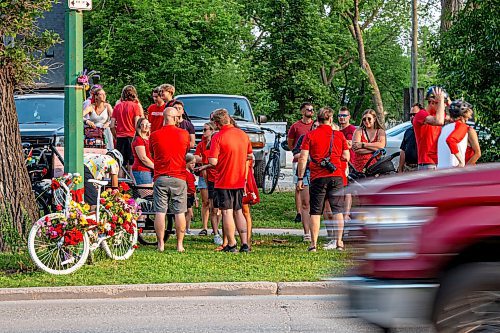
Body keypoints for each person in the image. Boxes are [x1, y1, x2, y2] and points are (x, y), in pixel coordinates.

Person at [297, 108, 349, 252]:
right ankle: (339, 242)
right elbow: (347, 156)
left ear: (317, 120)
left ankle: (313, 244)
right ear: (331, 119)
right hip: (336, 175)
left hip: (317, 177)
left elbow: (303, 158)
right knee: (337, 209)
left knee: (315, 211)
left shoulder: (310, 135)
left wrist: (300, 177)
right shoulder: (339, 135)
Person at [208, 108, 253, 253]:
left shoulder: (218, 136)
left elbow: (213, 161)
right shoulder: (243, 135)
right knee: (238, 211)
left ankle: (232, 243)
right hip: (239, 179)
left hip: (224, 179)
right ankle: (245, 244)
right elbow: (249, 155)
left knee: (227, 212)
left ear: (216, 123)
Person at [150, 107, 190, 252]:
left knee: (160, 211)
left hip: (160, 176)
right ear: (175, 118)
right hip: (179, 176)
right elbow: (186, 151)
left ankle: (160, 244)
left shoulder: (154, 135)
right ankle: (180, 244)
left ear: (163, 118)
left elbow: (152, 153)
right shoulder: (184, 134)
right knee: (179, 212)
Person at [194, 122, 222, 245]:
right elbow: (196, 157)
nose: (204, 132)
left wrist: (205, 161)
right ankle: (205, 227)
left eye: (206, 130)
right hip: (204, 175)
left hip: (214, 176)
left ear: (212, 130)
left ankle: (217, 229)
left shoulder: (217, 143)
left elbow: (208, 159)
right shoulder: (202, 144)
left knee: (217, 206)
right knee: (206, 202)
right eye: (203, 130)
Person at [287, 102, 315, 224]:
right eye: (308, 109)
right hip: (298, 159)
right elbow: (290, 142)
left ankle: (310, 211)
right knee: (299, 186)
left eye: (312, 110)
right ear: (302, 111)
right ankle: (299, 212)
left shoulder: (315, 125)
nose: (311, 112)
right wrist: (298, 153)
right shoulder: (296, 126)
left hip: (312, 162)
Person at [292, 121, 319, 242]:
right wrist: (307, 155)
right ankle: (306, 233)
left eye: (319, 126)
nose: (316, 128)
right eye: (314, 126)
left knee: (320, 205)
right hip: (306, 171)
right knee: (305, 203)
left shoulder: (326, 138)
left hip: (319, 172)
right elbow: (296, 153)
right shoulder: (304, 137)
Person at [413, 86, 447, 170]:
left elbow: (456, 117)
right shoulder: (421, 114)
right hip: (428, 163)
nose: (444, 106)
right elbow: (439, 121)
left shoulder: (438, 114)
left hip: (439, 162)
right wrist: (441, 100)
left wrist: (447, 100)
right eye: (442, 104)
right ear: (432, 102)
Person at [111, 85, 142, 176]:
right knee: (131, 162)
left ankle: (121, 186)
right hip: (131, 136)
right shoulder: (135, 106)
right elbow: (137, 123)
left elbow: (112, 125)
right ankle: (132, 185)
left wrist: (115, 136)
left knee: (121, 163)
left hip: (120, 137)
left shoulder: (117, 106)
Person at [437, 100, 474, 169]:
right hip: (453, 170)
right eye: (469, 113)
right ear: (464, 114)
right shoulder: (461, 126)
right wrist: (461, 161)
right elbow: (451, 140)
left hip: (440, 170)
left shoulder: (445, 128)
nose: (470, 117)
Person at [337, 106, 356, 223]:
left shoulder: (352, 129)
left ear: (349, 117)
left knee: (348, 188)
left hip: (350, 162)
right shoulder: (337, 130)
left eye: (344, 116)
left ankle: (347, 214)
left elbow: (350, 144)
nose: (342, 118)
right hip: (339, 163)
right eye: (340, 116)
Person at [398, 104, 421, 173]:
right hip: (407, 168)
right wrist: (400, 169)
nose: (412, 117)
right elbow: (403, 150)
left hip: (420, 167)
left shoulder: (425, 130)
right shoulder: (408, 131)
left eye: (414, 114)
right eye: (410, 115)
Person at [131, 117, 154, 185]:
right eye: (143, 124)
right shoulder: (139, 140)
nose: (145, 126)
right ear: (139, 126)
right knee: (146, 194)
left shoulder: (149, 139)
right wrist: (155, 167)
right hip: (142, 170)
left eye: (147, 124)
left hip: (150, 169)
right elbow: (143, 158)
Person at [185, 153, 198, 236]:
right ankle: (184, 228)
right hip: (186, 195)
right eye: (191, 163)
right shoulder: (184, 173)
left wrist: (195, 198)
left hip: (191, 196)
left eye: (194, 163)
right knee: (189, 213)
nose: (193, 165)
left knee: (189, 214)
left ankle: (187, 228)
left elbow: (194, 188)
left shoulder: (191, 174)